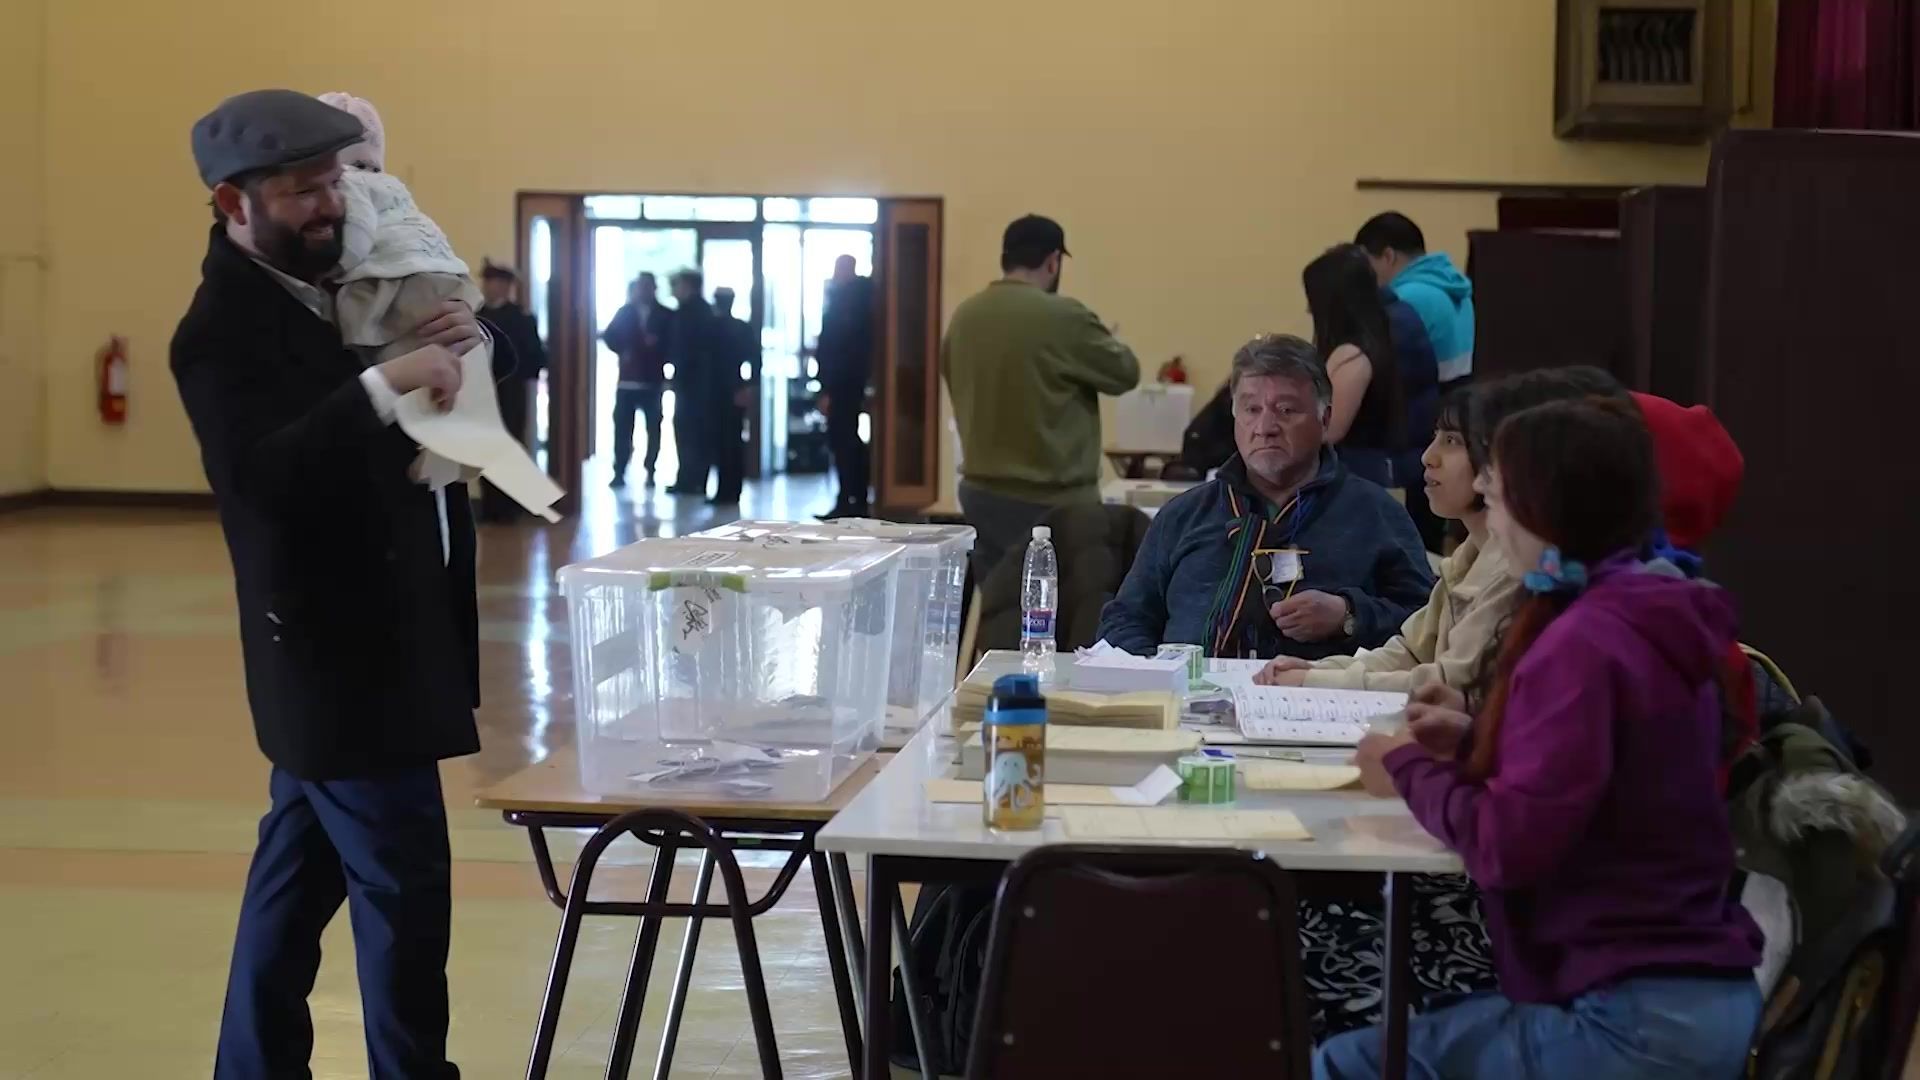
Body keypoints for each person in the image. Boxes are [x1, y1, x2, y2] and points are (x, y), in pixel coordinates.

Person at [174, 89, 482, 1079]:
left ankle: (251, 1066)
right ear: (233, 204)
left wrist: (470, 341)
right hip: (339, 659)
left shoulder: (340, 270)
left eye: (338, 181)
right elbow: (264, 481)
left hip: (388, 636)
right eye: (303, 191)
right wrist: (388, 384)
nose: (330, 206)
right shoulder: (218, 332)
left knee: (293, 884)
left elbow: (459, 347)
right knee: (404, 892)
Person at [1321, 398, 1762, 1079]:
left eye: (1496, 501)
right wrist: (1471, 746)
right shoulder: (1638, 611)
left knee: (1348, 1061)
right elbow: (1596, 779)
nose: (1492, 525)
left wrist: (1409, 768)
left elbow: (1505, 847)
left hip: (1630, 1014)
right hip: (1694, 992)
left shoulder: (1581, 639)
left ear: (1543, 508)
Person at [1097, 335, 1433, 659]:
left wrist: (1349, 615)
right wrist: (1156, 677)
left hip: (1314, 703)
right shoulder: (1186, 513)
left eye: (1286, 410)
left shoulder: (1374, 514)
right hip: (1188, 703)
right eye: (1251, 409)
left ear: (1325, 418)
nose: (1265, 426)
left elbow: (1429, 621)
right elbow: (1125, 618)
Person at [1256, 385, 1516, 693]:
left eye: (1451, 441)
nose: (1428, 457)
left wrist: (1316, 679)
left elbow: (1451, 682)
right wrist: (1316, 670)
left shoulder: (1512, 569)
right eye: (1251, 409)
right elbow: (1411, 651)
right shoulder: (1467, 555)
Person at [943, 214, 1141, 580]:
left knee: (1000, 610)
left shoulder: (965, 317)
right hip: (1057, 504)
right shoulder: (1064, 316)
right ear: (1054, 261)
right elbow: (1126, 374)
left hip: (981, 495)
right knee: (1065, 615)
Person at [1354, 212, 1475, 386]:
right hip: (1459, 403)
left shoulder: (1403, 299)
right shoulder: (1456, 287)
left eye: (1367, 263)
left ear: (1388, 256)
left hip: (1424, 406)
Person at [477, 260, 548, 522]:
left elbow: (537, 357)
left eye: (497, 282)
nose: (491, 287)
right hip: (480, 393)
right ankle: (489, 507)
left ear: (507, 286)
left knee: (509, 447)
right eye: (488, 281)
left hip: (511, 395)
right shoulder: (475, 315)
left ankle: (509, 508)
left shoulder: (521, 318)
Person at [816, 254, 875, 518]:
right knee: (846, 442)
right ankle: (851, 498)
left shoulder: (848, 305)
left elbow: (837, 350)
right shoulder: (855, 301)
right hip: (846, 382)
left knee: (843, 443)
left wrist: (827, 388)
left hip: (843, 384)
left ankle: (850, 500)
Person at [601, 272, 668, 488]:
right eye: (640, 287)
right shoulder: (625, 312)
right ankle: (619, 470)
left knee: (653, 427)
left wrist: (658, 348)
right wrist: (624, 349)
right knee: (622, 427)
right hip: (627, 381)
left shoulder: (665, 314)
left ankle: (651, 470)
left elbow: (674, 342)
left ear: (654, 289)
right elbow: (609, 336)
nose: (643, 291)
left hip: (652, 380)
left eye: (647, 287)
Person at [665, 268, 721, 497]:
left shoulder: (694, 313)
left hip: (695, 384)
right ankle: (689, 478)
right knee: (688, 432)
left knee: (693, 433)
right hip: (692, 383)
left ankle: (693, 480)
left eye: (677, 285)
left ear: (688, 286)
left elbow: (691, 350)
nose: (675, 290)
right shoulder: (691, 311)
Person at [706, 286, 759, 507]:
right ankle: (730, 489)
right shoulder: (740, 328)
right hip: (733, 388)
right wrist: (749, 386)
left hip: (717, 390)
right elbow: (756, 359)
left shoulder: (711, 328)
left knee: (723, 442)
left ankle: (725, 490)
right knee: (732, 441)